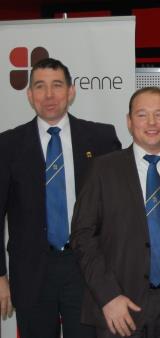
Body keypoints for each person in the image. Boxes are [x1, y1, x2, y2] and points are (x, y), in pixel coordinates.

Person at [70, 87, 160, 338]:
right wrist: (108, 296)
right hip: (120, 304)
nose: (152, 122)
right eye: (142, 115)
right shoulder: (103, 170)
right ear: (129, 121)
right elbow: (82, 237)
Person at [0, 58, 121, 338]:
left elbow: (118, 209)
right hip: (31, 272)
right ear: (30, 95)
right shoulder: (8, 145)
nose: (49, 95)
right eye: (40, 87)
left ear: (71, 91)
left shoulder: (101, 138)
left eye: (57, 85)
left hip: (86, 269)